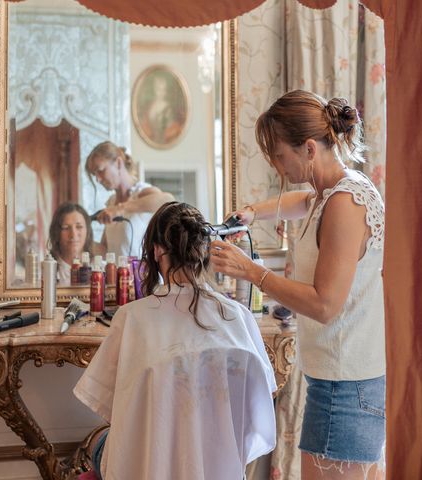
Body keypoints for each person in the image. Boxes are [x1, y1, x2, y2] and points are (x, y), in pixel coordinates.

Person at [209, 90, 385, 479]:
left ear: (308, 148)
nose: (276, 166)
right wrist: (253, 213)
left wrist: (251, 271)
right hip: (336, 380)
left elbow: (324, 304)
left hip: (348, 387)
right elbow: (300, 202)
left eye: (279, 156)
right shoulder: (328, 193)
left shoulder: (345, 202)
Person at [73, 201, 277, 480]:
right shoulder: (240, 317)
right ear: (204, 250)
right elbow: (260, 404)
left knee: (97, 440)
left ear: (157, 250)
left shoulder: (132, 318)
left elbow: (112, 409)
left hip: (151, 469)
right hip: (220, 467)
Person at [85, 141, 174, 259]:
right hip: (121, 276)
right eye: (94, 174)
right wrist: (81, 241)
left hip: (142, 276)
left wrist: (119, 209)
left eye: (100, 170)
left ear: (118, 163)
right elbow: (106, 250)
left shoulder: (142, 192)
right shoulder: (111, 202)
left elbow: (169, 201)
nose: (98, 179)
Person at [47, 202, 93, 286]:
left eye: (79, 227)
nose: (73, 234)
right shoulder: (47, 271)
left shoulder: (101, 270)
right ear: (56, 232)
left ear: (88, 231)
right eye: (66, 228)